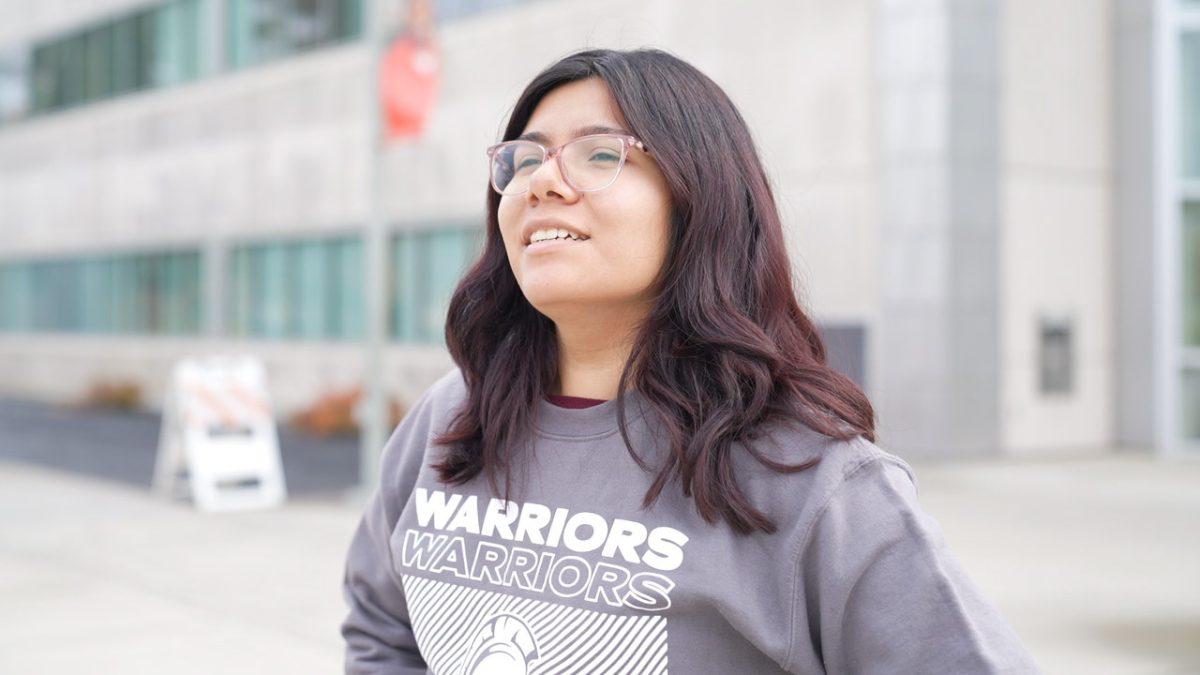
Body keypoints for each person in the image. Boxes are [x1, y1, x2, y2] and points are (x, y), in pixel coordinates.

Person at [341, 47, 1041, 674]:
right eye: (523, 159)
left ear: (697, 199)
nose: (539, 182)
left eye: (597, 153)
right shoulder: (452, 417)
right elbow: (380, 627)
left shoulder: (813, 479)